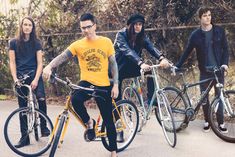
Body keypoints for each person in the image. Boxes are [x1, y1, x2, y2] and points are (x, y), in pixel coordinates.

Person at [43, 13, 118, 157]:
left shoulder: (106, 42)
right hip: (87, 82)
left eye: (88, 27)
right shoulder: (78, 45)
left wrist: (115, 85)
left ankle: (113, 151)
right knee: (75, 99)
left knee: (108, 119)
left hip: (103, 84)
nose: (86, 30)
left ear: (95, 26)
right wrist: (49, 66)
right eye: (83, 28)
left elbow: (114, 65)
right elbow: (63, 56)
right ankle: (89, 122)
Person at [175, 6, 229, 133]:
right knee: (204, 98)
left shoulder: (219, 31)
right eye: (205, 15)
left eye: (209, 15)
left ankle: (220, 122)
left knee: (220, 96)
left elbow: (226, 49)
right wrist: (177, 65)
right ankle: (207, 121)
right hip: (205, 71)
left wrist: (225, 64)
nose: (208, 17)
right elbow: (187, 51)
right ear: (200, 18)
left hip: (219, 70)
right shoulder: (195, 35)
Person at [8, 16, 50, 148]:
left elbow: (40, 63)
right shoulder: (13, 43)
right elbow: (12, 62)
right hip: (20, 77)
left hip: (34, 74)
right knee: (22, 108)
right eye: (25, 24)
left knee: (41, 99)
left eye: (30, 25)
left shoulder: (36, 42)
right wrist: (15, 79)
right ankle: (24, 138)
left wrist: (36, 79)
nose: (27, 27)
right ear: (21, 26)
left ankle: (43, 127)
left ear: (32, 28)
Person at [114, 13, 171, 103]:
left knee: (150, 71)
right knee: (116, 96)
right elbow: (127, 51)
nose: (138, 27)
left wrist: (161, 58)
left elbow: (151, 47)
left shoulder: (141, 36)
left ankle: (151, 100)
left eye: (140, 24)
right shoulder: (121, 35)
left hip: (133, 66)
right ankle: (117, 114)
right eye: (135, 24)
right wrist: (140, 63)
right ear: (130, 25)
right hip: (119, 68)